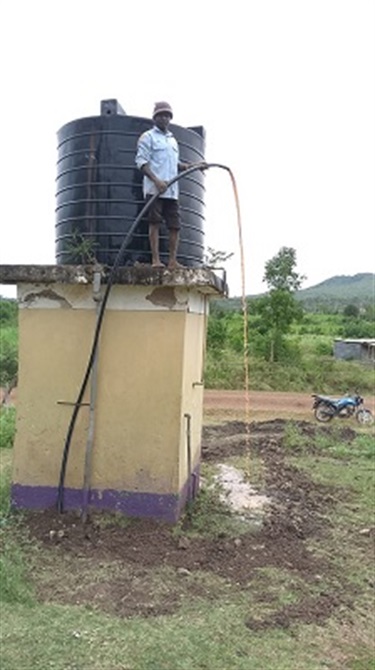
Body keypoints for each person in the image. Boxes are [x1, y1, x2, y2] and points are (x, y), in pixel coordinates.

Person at [135, 101, 206, 269]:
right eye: (161, 115)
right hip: (155, 190)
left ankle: (173, 260)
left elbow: (177, 164)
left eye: (167, 115)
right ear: (155, 118)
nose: (164, 118)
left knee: (175, 225)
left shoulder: (172, 140)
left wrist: (195, 165)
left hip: (172, 191)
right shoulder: (148, 137)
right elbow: (141, 162)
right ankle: (156, 260)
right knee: (154, 223)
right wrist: (156, 181)